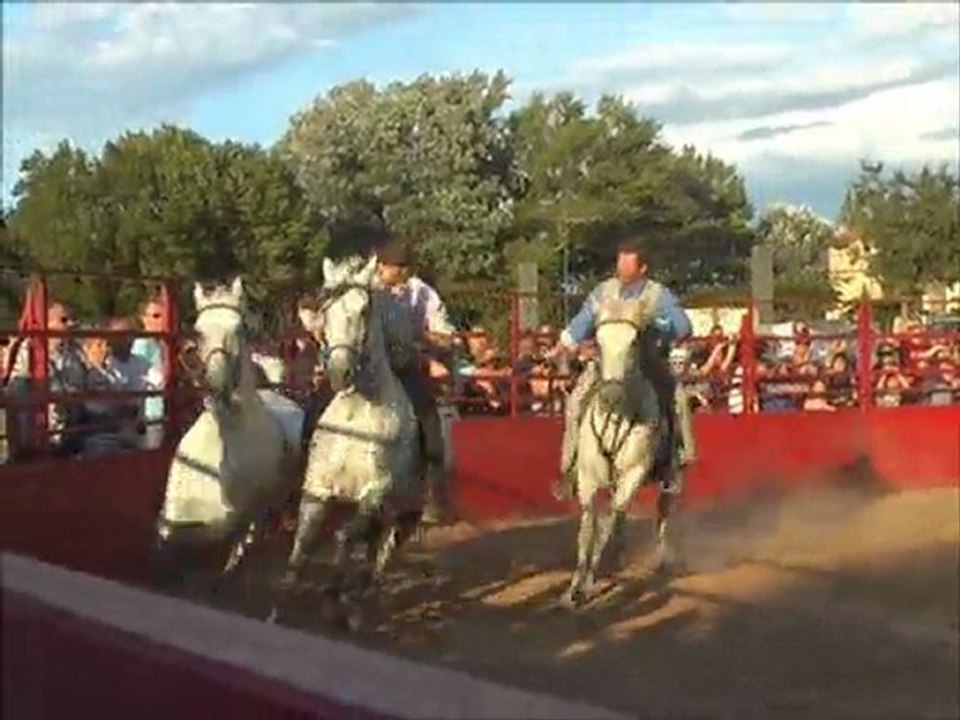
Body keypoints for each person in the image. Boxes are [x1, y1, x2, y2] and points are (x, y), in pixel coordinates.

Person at [546, 234, 694, 500]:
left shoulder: (658, 296)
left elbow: (683, 326)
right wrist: (563, 344)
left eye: (627, 264)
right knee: (575, 402)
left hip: (647, 363)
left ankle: (674, 462)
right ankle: (569, 469)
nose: (621, 269)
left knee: (678, 400)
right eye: (619, 263)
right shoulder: (603, 293)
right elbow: (582, 322)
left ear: (642, 268)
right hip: (605, 365)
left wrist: (657, 325)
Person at [375, 235, 456, 524]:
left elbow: (446, 338)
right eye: (395, 267)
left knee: (428, 420)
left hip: (405, 365)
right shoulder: (363, 289)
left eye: (404, 267)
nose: (400, 273)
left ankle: (434, 494)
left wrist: (421, 336)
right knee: (320, 404)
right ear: (381, 266)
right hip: (367, 366)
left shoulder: (423, 293)